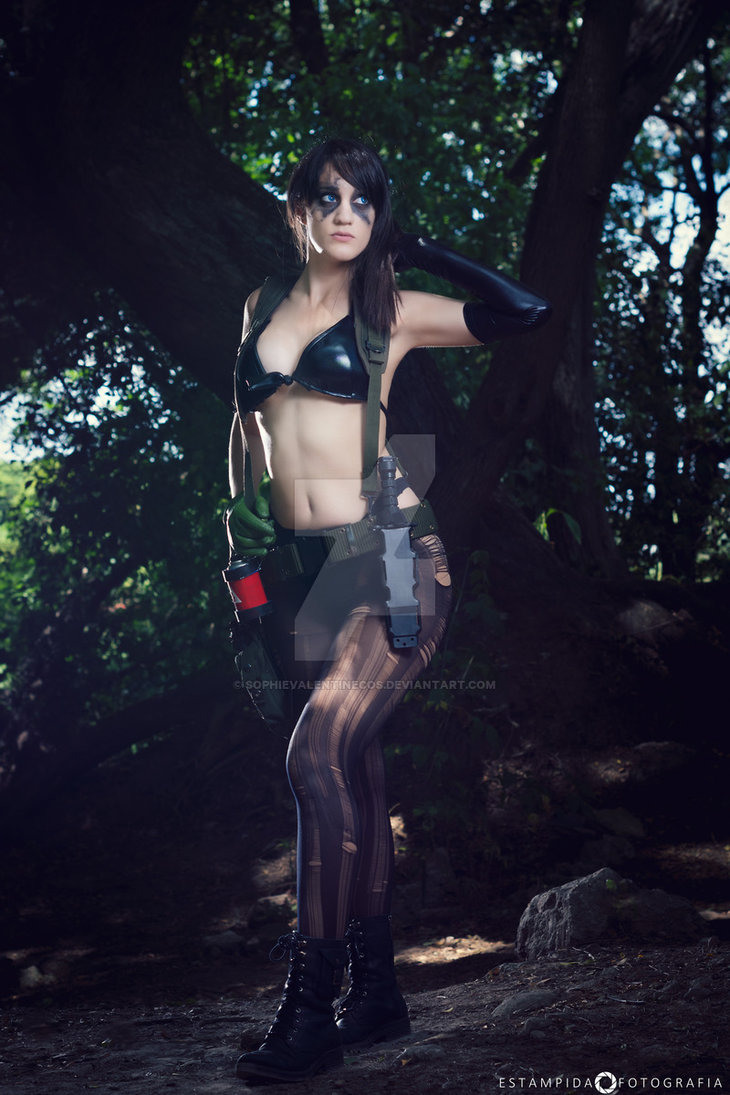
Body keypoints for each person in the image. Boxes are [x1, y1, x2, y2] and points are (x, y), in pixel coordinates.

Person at [226, 137, 551, 1084]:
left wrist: (428, 250)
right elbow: (243, 437)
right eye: (327, 198)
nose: (345, 214)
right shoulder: (258, 305)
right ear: (296, 210)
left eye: (364, 201)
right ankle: (375, 992)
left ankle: (308, 1011)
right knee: (354, 773)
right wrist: (240, 566)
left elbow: (523, 312)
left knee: (315, 757)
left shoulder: (392, 308)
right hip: (303, 575)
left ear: (379, 219)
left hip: (394, 561)